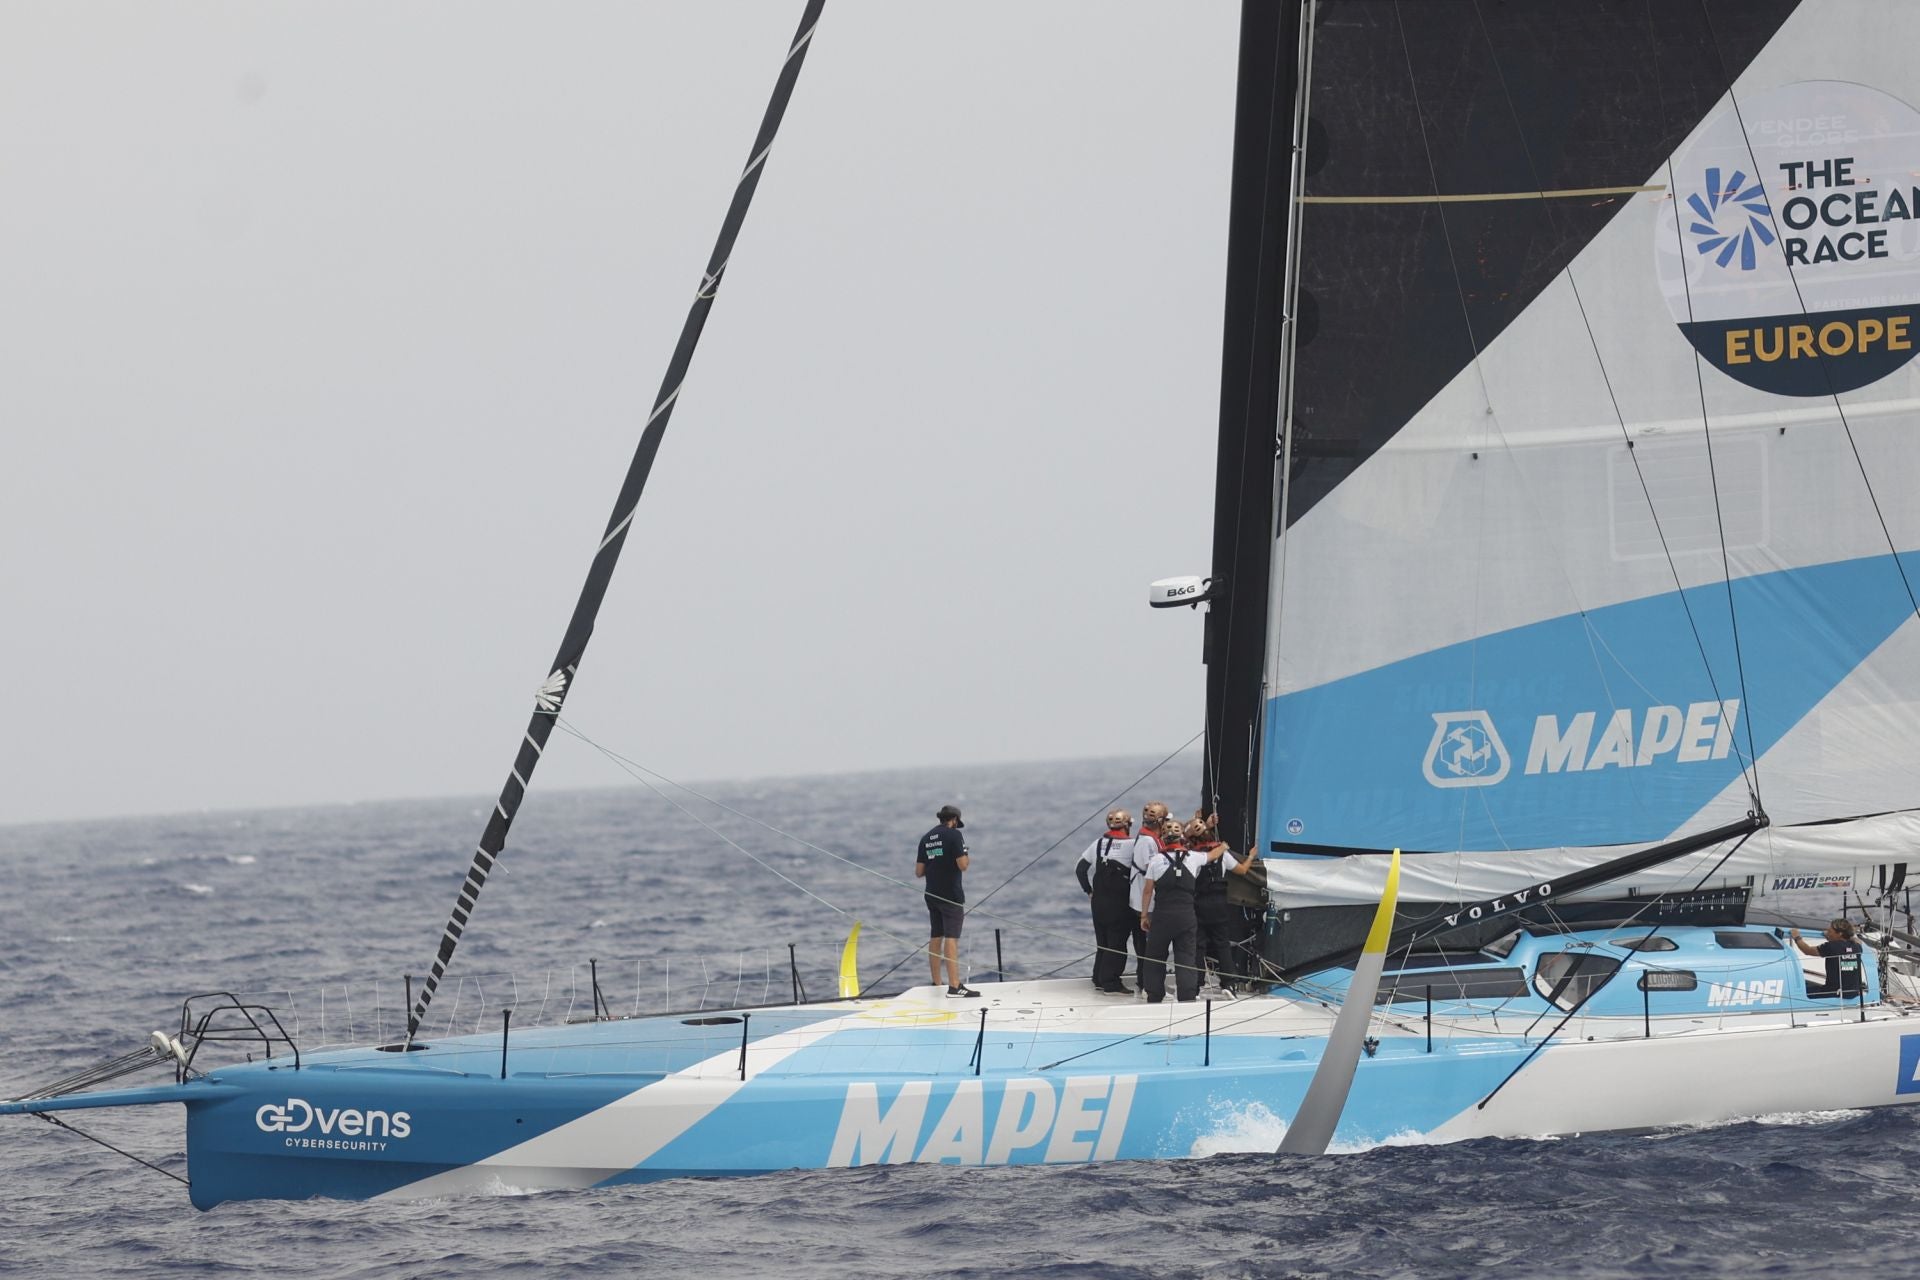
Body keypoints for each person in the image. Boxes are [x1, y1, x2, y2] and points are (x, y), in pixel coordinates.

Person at [1138, 822, 1209, 1003]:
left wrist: (1144, 915)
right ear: (1181, 839)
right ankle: (1187, 996)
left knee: (1155, 957)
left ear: (1162, 838)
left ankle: (1154, 995)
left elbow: (1147, 890)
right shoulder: (1193, 857)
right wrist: (1223, 846)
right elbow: (1211, 856)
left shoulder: (1156, 860)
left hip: (1162, 916)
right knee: (1186, 958)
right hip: (1186, 916)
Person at [1187, 816, 1257, 989]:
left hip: (1199, 904)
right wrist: (1251, 856)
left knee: (1199, 945)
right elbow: (1242, 870)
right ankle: (1228, 983)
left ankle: (1196, 984)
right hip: (1218, 904)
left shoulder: (1191, 856)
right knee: (1222, 944)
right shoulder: (1222, 854)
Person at [916, 804, 978, 997]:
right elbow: (963, 865)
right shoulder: (955, 836)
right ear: (954, 821)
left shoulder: (926, 838)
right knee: (951, 938)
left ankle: (937, 982)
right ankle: (954, 986)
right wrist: (965, 851)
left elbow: (919, 872)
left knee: (936, 937)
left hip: (932, 894)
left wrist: (937, 860)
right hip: (950, 895)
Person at [1076, 809, 1140, 993]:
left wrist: (1088, 890)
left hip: (1099, 902)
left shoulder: (1098, 844)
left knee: (1102, 942)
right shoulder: (1133, 845)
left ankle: (1098, 978)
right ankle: (1111, 982)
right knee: (1117, 944)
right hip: (1119, 903)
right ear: (1128, 824)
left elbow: (1080, 869)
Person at [1790, 919, 1863, 998]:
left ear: (1840, 933)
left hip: (1833, 993)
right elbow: (1845, 945)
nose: (1828, 932)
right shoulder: (1857, 947)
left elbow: (1807, 950)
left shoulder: (1830, 947)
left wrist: (1797, 937)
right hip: (1852, 993)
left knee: (1798, 993)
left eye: (1830, 931)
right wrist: (1830, 937)